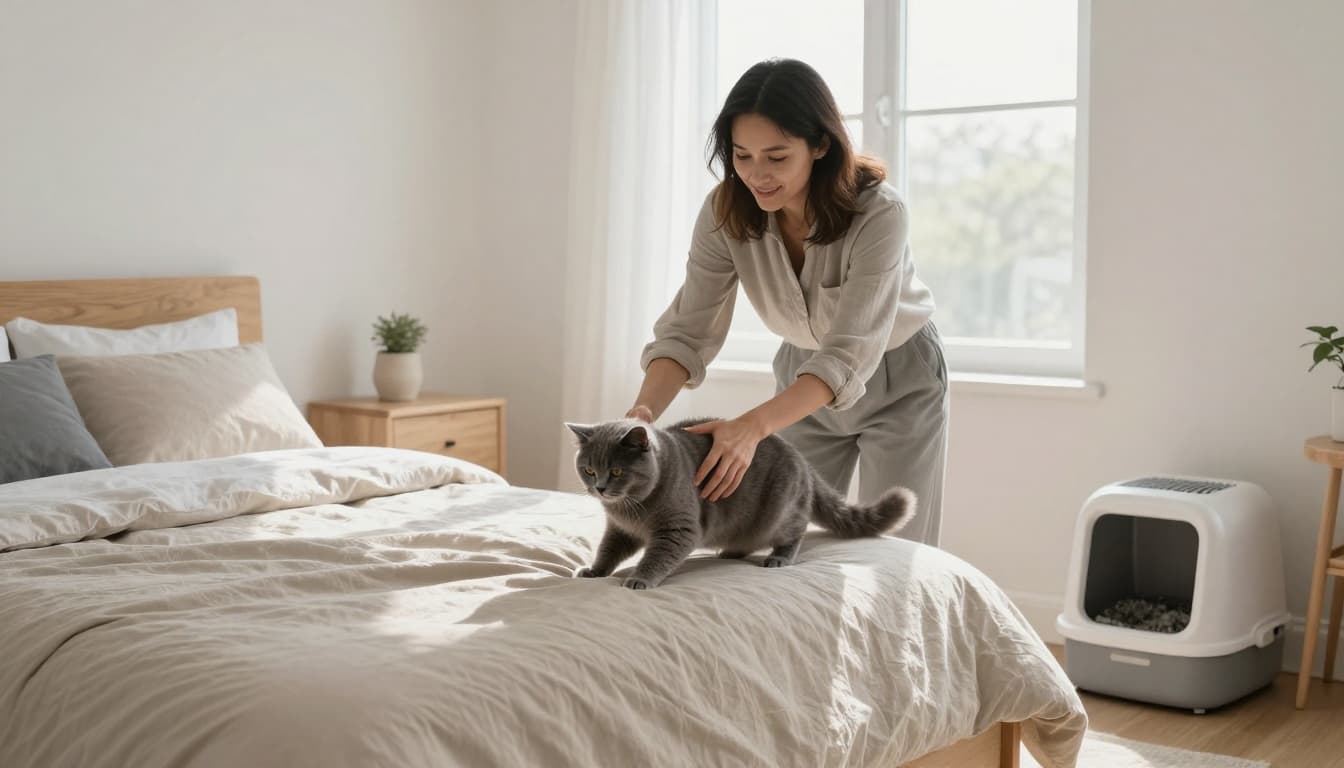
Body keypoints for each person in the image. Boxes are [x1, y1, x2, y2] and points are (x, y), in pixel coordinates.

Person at [624, 58, 947, 546]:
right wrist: (640, 416)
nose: (758, 175)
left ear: (820, 145)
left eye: (776, 157)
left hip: (899, 375)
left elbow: (847, 353)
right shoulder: (724, 211)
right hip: (801, 376)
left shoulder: (880, 212)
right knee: (782, 538)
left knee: (895, 551)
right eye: (742, 155)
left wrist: (751, 428)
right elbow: (686, 331)